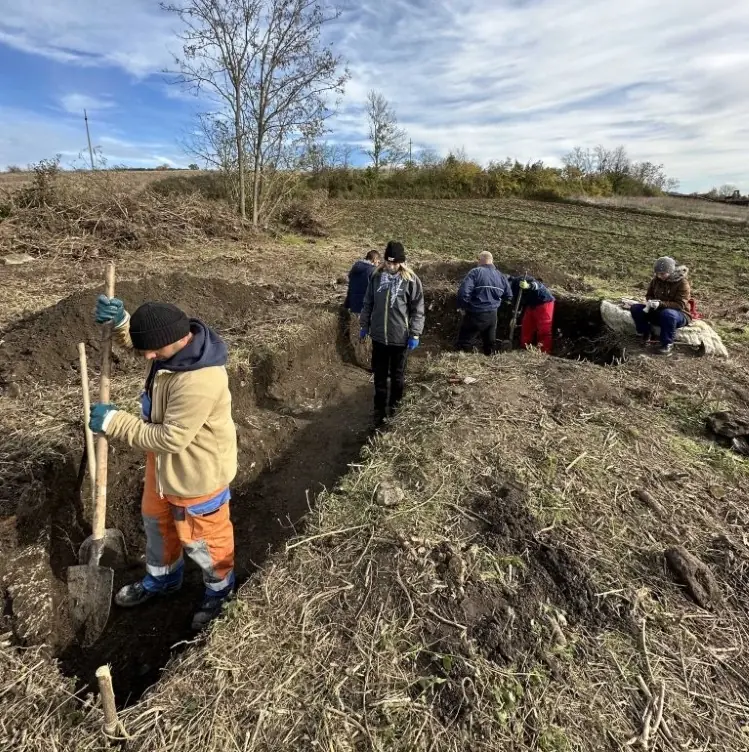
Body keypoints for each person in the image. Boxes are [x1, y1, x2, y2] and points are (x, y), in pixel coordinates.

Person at [89, 297, 238, 631]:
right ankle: (163, 580)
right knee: (157, 523)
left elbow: (171, 438)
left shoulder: (201, 378)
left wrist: (115, 422)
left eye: (153, 352)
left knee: (203, 539)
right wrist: (121, 323)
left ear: (178, 341)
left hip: (196, 474)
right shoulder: (173, 349)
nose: (147, 358)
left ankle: (220, 591)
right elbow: (148, 344)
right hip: (165, 466)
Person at [359, 241, 425, 426]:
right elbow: (368, 302)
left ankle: (395, 409)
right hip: (379, 337)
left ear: (401, 262)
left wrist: (415, 334)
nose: (391, 267)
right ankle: (379, 410)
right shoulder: (377, 277)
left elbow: (418, 310)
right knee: (379, 376)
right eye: (388, 263)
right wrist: (364, 325)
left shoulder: (411, 280)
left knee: (397, 377)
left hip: (399, 338)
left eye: (395, 263)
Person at [629, 256, 691, 357]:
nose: (659, 276)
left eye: (662, 274)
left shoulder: (682, 283)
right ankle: (646, 333)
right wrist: (651, 302)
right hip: (658, 310)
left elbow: (680, 304)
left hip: (679, 314)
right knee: (635, 308)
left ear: (671, 271)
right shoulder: (656, 280)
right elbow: (649, 295)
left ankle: (667, 344)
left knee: (668, 314)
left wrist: (660, 304)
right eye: (657, 274)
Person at [456, 251, 513, 355]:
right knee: (490, 344)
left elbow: (464, 292)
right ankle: (489, 364)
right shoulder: (500, 275)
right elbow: (509, 296)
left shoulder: (476, 272)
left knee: (465, 341)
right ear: (491, 261)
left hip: (476, 313)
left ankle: (464, 362)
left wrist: (463, 307)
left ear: (480, 260)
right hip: (493, 315)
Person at [508, 274, 555, 353]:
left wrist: (528, 286)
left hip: (543, 302)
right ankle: (524, 348)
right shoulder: (512, 290)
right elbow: (517, 304)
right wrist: (514, 318)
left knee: (543, 329)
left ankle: (544, 351)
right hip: (531, 304)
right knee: (527, 326)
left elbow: (538, 285)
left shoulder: (522, 280)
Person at [344, 249, 381, 314]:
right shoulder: (372, 270)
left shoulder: (355, 267)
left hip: (352, 303)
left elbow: (350, 280)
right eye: (378, 262)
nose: (378, 264)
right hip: (364, 306)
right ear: (374, 260)